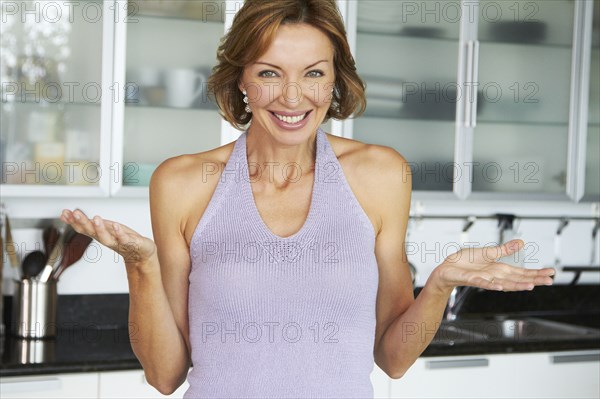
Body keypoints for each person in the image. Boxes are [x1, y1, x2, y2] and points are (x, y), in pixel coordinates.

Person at [60, 0, 556, 398]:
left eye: (314, 73)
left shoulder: (379, 175)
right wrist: (141, 268)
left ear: (336, 79)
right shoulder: (184, 182)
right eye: (270, 73)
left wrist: (441, 283)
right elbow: (165, 376)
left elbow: (394, 359)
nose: (293, 97)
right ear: (241, 79)